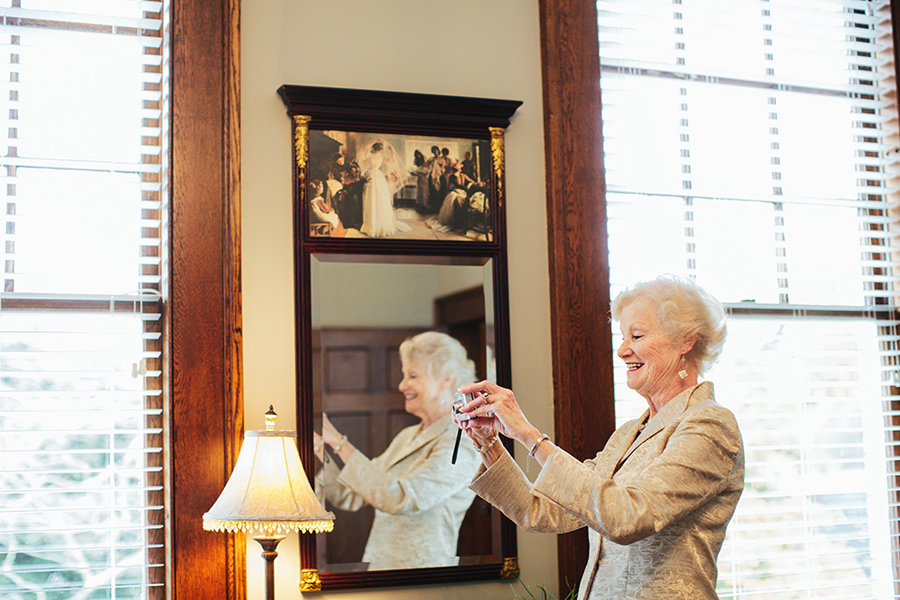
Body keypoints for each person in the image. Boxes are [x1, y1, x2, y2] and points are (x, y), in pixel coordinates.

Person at [455, 275, 744, 600]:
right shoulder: (628, 434)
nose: (622, 350)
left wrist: (528, 435)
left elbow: (627, 518)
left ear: (685, 342)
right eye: (622, 337)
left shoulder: (710, 424)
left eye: (636, 335)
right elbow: (540, 511)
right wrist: (487, 442)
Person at [317, 331, 482, 569]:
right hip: (380, 574)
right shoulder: (407, 436)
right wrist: (317, 446)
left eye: (413, 375)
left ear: (447, 379)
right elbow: (350, 493)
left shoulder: (462, 442)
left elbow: (401, 498)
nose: (402, 385)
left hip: (422, 581)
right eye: (404, 375)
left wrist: (339, 443)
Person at [356, 139, 411, 237]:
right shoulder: (368, 154)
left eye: (379, 150)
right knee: (371, 198)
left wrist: (391, 150)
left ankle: (381, 224)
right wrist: (374, 141)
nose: (378, 151)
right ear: (375, 148)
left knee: (380, 199)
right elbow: (364, 150)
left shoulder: (382, 155)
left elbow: (392, 162)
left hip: (378, 177)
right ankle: (372, 224)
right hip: (371, 176)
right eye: (377, 149)